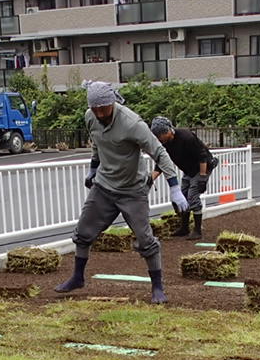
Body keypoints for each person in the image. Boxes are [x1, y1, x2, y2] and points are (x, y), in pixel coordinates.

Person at [55, 82, 184, 304]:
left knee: (145, 240)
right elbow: (97, 143)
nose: (99, 113)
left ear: (112, 102)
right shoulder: (90, 117)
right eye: (95, 109)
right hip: (104, 186)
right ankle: (77, 277)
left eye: (103, 108)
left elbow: (159, 152)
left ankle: (158, 288)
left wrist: (174, 186)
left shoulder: (132, 123)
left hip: (133, 190)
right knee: (83, 232)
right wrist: (93, 168)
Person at [149, 116, 217, 239]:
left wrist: (202, 178)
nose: (158, 139)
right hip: (189, 170)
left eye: (159, 136)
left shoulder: (187, 137)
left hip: (203, 167)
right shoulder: (166, 144)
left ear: (167, 131)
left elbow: (202, 155)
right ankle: (184, 227)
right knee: (182, 196)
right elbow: (161, 163)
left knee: (192, 196)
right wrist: (150, 179)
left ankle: (197, 230)